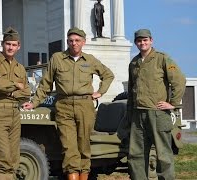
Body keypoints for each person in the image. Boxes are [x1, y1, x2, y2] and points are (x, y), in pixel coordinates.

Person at [22, 27, 114, 180]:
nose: (74, 44)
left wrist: (99, 92)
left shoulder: (90, 60)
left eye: (77, 41)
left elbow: (108, 75)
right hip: (63, 106)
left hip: (85, 106)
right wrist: (34, 103)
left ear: (83, 42)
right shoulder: (57, 58)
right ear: (67, 42)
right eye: (71, 41)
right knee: (69, 147)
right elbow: (46, 84)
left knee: (84, 146)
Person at [127, 29, 186, 180]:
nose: (142, 43)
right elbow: (131, 90)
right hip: (138, 114)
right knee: (136, 155)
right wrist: (130, 114)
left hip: (157, 113)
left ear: (151, 41)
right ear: (136, 43)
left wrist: (172, 103)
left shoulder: (162, 58)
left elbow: (179, 81)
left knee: (163, 155)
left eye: (145, 40)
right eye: (139, 41)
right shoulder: (134, 62)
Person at [0, 27, 31, 180]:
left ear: (19, 46)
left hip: (14, 114)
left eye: (13, 44)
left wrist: (11, 90)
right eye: (7, 44)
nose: (10, 47)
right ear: (2, 44)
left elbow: (27, 92)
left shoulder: (20, 68)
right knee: (2, 159)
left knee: (13, 159)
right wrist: (16, 86)